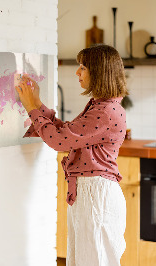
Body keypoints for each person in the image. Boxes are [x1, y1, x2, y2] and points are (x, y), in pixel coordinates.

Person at [16, 44, 128, 266]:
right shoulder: (101, 106)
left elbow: (59, 141)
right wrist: (37, 104)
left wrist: (31, 108)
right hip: (91, 193)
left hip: (96, 195)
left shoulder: (105, 111)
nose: (77, 72)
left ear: (99, 72)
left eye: (83, 67)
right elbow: (67, 133)